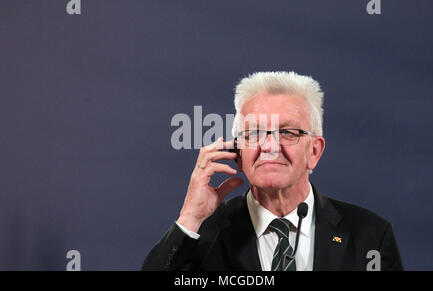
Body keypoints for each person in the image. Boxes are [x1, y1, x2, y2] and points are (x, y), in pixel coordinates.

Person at [142, 71, 403, 271]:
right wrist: (190, 217)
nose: (269, 146)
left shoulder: (370, 236)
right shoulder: (201, 235)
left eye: (288, 132)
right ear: (238, 153)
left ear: (314, 151)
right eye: (254, 133)